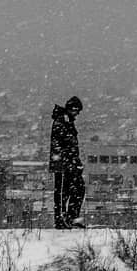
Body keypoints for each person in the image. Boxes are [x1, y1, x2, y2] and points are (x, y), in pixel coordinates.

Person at [49, 95, 86, 228]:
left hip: (70, 164)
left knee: (78, 189)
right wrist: (67, 162)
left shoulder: (67, 122)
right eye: (76, 110)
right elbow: (58, 146)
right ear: (71, 108)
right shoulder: (61, 122)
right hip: (63, 166)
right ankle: (61, 219)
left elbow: (70, 146)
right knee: (62, 193)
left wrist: (76, 162)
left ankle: (71, 217)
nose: (77, 113)